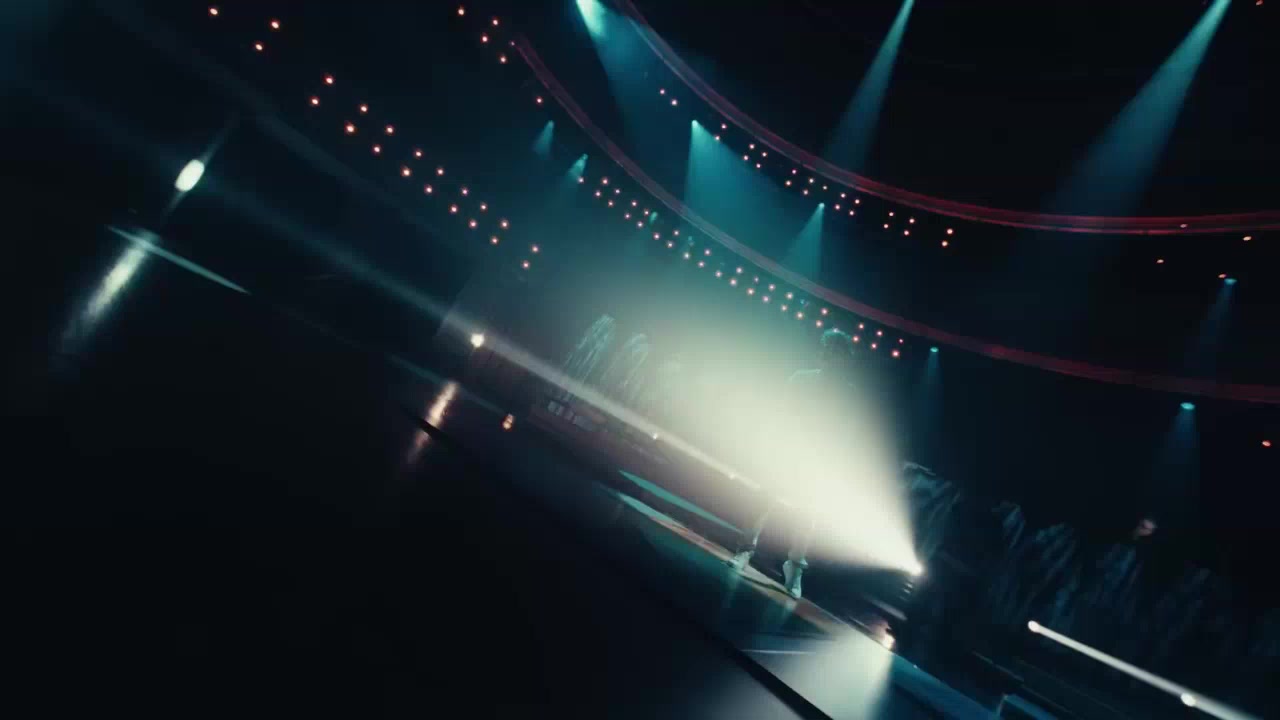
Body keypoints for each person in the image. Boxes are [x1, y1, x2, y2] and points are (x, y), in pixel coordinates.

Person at [726, 328, 870, 599]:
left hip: (818, 462)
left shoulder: (848, 394)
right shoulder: (801, 379)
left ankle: (794, 567)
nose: (829, 355)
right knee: (763, 501)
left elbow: (845, 437)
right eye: (827, 349)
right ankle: (744, 551)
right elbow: (782, 415)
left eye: (835, 352)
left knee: (807, 516)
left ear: (844, 358)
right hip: (790, 453)